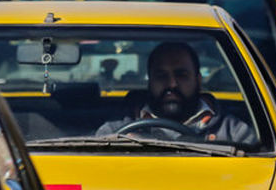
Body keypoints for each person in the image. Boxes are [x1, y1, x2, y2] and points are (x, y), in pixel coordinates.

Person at [96, 42, 256, 145]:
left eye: (181, 75)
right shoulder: (113, 133)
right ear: (149, 82)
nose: (172, 84)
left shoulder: (234, 133)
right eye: (161, 76)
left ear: (198, 80)